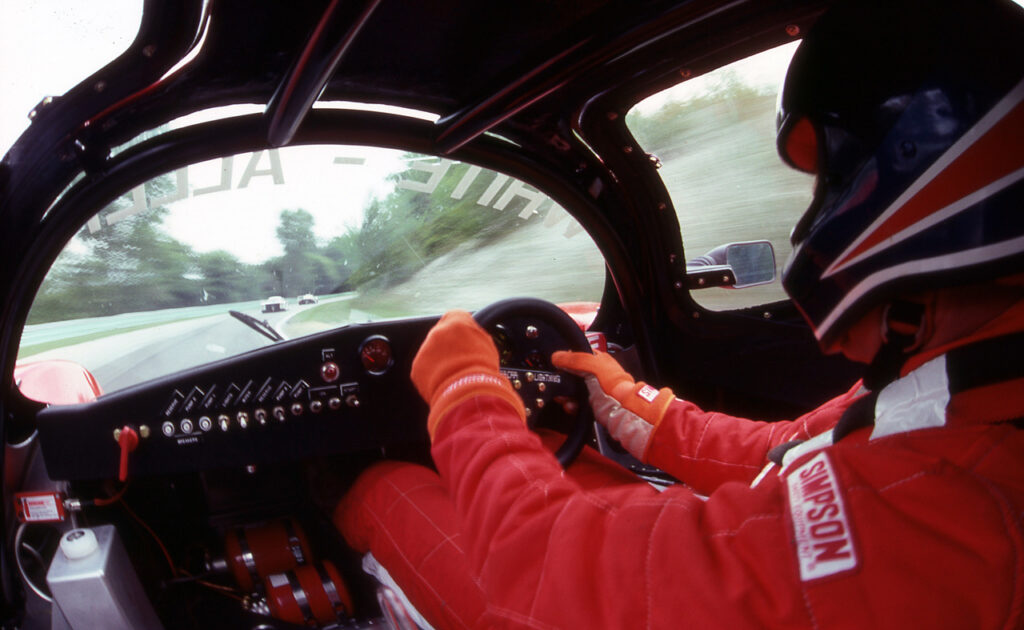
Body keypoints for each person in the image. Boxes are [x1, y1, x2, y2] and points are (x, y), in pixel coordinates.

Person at [336, 0, 1024, 627]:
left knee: (382, 484)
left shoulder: (957, 513)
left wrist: (465, 391)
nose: (816, 213)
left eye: (832, 179)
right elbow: (790, 450)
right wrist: (635, 406)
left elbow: (552, 576)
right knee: (549, 453)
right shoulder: (962, 383)